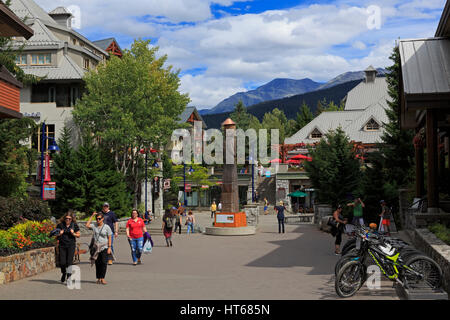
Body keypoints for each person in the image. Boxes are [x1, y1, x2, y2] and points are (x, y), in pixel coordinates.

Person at [87, 212, 112, 285]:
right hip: (96, 247)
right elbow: (87, 225)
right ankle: (98, 278)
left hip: (104, 247)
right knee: (97, 263)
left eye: (99, 219)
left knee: (104, 262)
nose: (98, 220)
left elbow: (110, 236)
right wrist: (92, 216)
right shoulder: (94, 225)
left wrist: (109, 247)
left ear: (103, 219)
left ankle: (103, 278)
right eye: (97, 219)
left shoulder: (106, 227)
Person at [56, 210, 80, 283]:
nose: (68, 220)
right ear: (64, 218)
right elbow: (55, 234)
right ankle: (64, 273)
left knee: (69, 262)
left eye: (69, 219)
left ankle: (69, 276)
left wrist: (73, 234)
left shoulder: (74, 225)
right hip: (62, 245)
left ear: (72, 219)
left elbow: (78, 235)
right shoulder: (60, 225)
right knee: (62, 262)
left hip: (71, 245)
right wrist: (60, 233)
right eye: (66, 218)